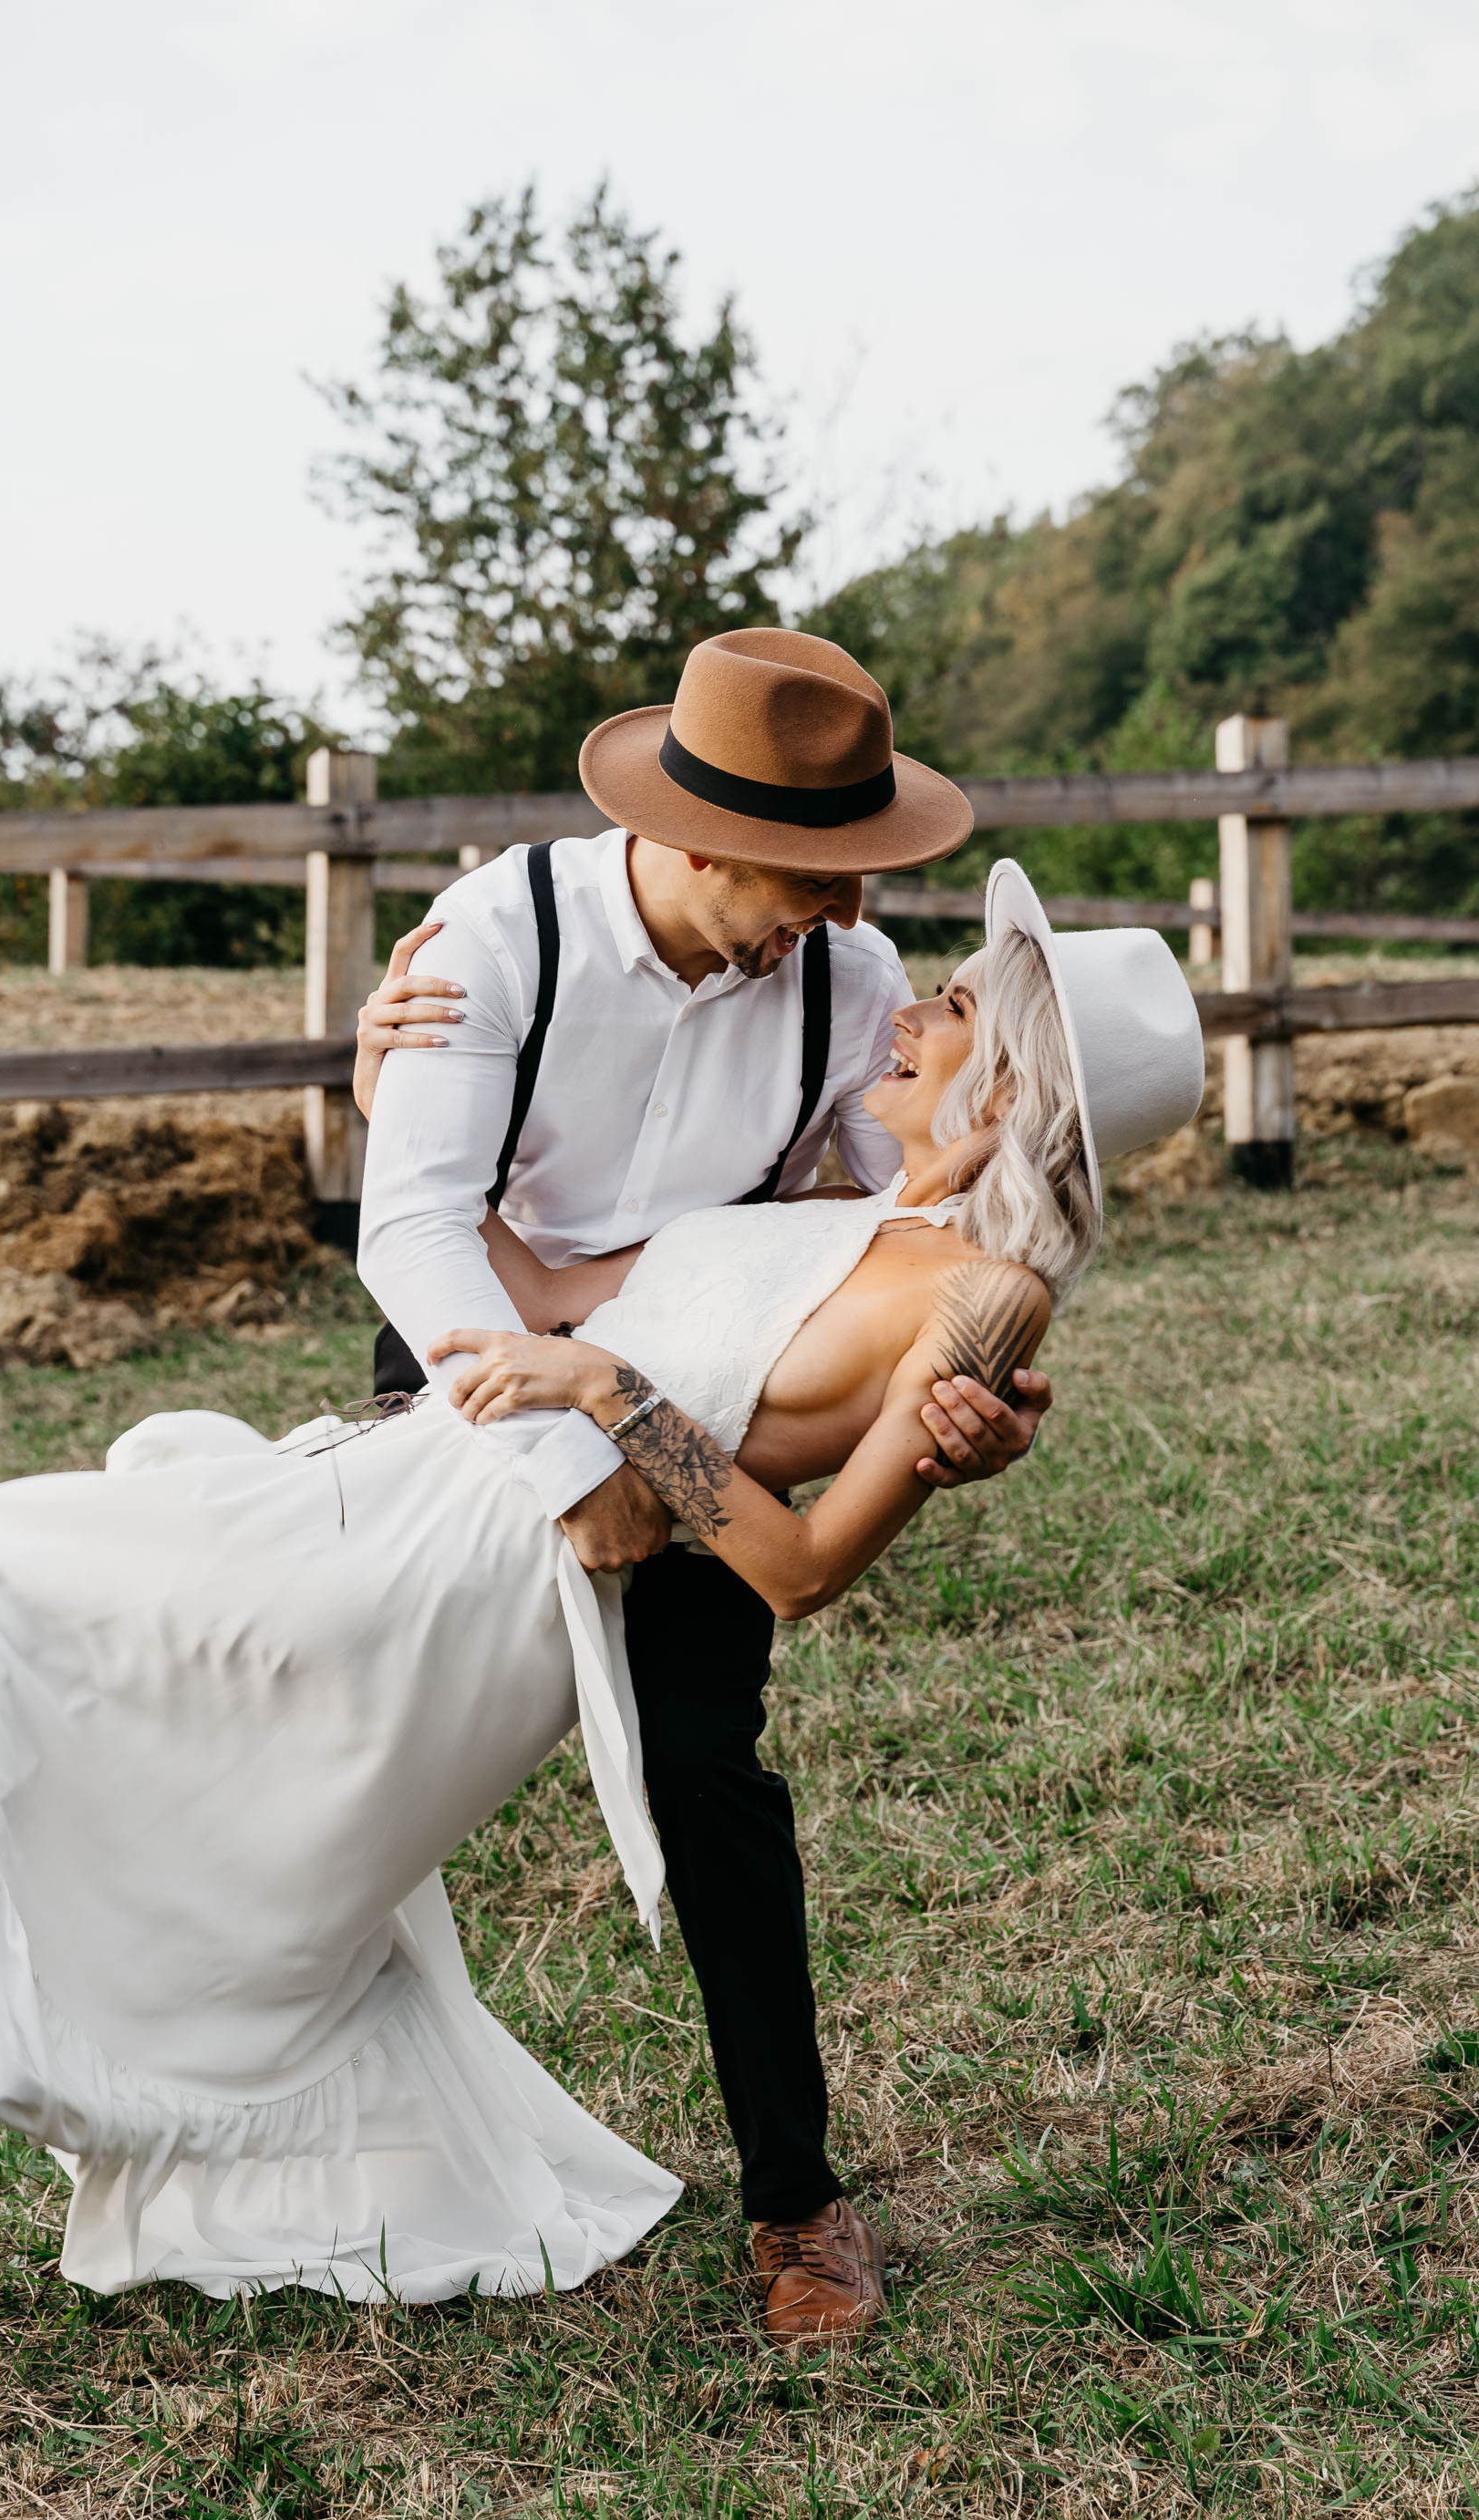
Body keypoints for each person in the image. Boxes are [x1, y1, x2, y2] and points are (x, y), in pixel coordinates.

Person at [0, 863, 1205, 2319]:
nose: (902, 1009)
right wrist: (411, 1112)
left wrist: (614, 1401)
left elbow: (802, 1566)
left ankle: (798, 2205)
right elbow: (543, 1285)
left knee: (70, 1633)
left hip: (479, 1567)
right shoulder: (819, 1189)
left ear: (1008, 1088)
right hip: (436, 1463)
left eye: (948, 1010)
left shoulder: (973, 1299)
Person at [350, 628, 1053, 2340]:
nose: (840, 916)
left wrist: (979, 1397)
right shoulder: (494, 940)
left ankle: (799, 2206)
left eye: (851, 878)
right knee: (357, 1744)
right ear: (691, 833)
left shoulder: (845, 984)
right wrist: (554, 1445)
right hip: (476, 1365)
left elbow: (901, 1220)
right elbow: (413, 1226)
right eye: (807, 879)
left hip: (700, 1398)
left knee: (707, 1766)